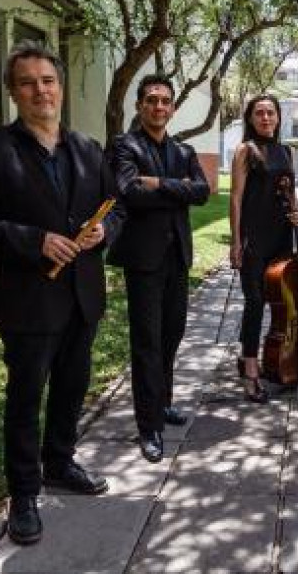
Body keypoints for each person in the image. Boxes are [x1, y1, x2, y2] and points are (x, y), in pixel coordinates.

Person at [0, 40, 124, 545]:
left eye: (47, 81)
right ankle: (24, 492)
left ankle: (60, 462)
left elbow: (116, 205)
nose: (40, 91)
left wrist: (105, 231)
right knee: (26, 399)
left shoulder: (87, 148)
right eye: (27, 83)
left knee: (71, 388)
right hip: (28, 300)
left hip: (83, 296)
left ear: (61, 88)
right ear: (12, 92)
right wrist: (35, 241)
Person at [106, 74, 210, 463]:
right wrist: (177, 189)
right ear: (139, 106)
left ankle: (162, 403)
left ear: (173, 108)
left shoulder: (184, 150)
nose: (159, 106)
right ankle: (148, 426)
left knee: (171, 336)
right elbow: (130, 192)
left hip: (177, 257)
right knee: (147, 343)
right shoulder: (124, 146)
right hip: (143, 260)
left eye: (165, 101)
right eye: (151, 100)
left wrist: (159, 184)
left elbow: (202, 191)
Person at [229, 94, 298, 402]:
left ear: (278, 117)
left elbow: (291, 192)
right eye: (259, 113)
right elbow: (235, 198)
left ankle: (274, 356)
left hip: (282, 237)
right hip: (254, 239)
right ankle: (250, 367)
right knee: (255, 301)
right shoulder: (246, 150)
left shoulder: (287, 151)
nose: (265, 118)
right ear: (250, 119)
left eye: (270, 112)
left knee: (280, 302)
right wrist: (235, 242)